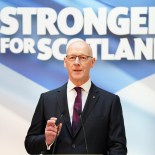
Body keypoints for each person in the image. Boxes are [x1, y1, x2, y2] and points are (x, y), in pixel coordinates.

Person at [25, 40, 127, 154]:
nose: (77, 62)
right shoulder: (47, 99)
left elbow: (118, 148)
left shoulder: (110, 102)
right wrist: (46, 140)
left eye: (83, 57)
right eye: (72, 57)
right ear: (65, 62)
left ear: (92, 62)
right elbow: (30, 144)